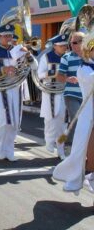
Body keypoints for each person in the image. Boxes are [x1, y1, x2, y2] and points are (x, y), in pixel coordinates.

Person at [0, 23, 33, 161]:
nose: (8, 38)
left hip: (15, 90)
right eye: (5, 36)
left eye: (10, 35)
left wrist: (28, 55)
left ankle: (9, 150)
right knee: (3, 122)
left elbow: (34, 66)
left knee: (15, 122)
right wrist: (3, 70)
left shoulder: (18, 50)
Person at [53, 32, 94, 193]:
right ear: (88, 51)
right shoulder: (84, 69)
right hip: (89, 114)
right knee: (82, 147)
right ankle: (82, 175)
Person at [38, 34, 69, 160]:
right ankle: (49, 140)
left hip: (64, 92)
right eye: (61, 46)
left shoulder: (69, 57)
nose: (64, 47)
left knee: (64, 123)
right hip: (50, 92)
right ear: (55, 46)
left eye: (65, 45)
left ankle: (61, 149)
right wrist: (55, 73)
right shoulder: (46, 56)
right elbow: (40, 74)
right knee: (50, 120)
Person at [56, 32, 84, 147]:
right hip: (71, 94)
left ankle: (83, 147)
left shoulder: (90, 56)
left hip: (87, 94)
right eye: (71, 42)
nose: (71, 45)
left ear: (83, 43)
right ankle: (68, 144)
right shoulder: (66, 57)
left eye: (74, 42)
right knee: (76, 119)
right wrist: (68, 79)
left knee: (87, 121)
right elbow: (59, 76)